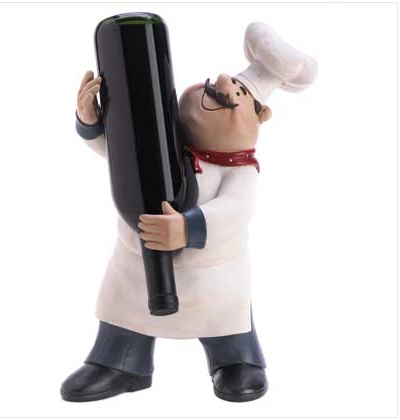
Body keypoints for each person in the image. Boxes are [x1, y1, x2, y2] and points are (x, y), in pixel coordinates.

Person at [61, 21, 317, 403]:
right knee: (125, 308)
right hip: (138, 265)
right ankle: (120, 360)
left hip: (210, 277)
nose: (223, 85)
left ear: (259, 118)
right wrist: (91, 120)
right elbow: (120, 157)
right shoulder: (162, 141)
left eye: (238, 93)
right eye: (216, 84)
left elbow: (235, 211)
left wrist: (186, 227)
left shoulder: (239, 172)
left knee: (225, 317)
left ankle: (236, 361)